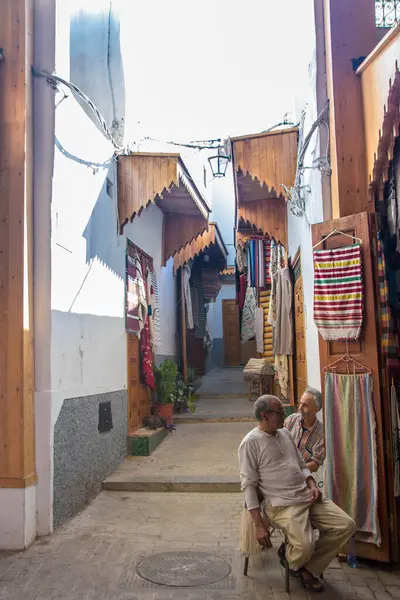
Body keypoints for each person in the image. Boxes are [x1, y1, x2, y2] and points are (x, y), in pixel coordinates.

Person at [238, 395, 356, 593]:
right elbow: (248, 486)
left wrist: (311, 484)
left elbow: (301, 464)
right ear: (264, 415)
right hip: (281, 504)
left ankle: (301, 564)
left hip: (307, 495)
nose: (285, 414)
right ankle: (298, 559)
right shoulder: (250, 443)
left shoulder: (284, 433)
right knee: (305, 544)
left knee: (346, 526)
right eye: (279, 412)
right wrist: (259, 525)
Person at [284, 387, 325, 473]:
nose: (300, 408)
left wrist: (294, 470)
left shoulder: (322, 434)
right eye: (300, 403)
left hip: (300, 477)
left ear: (316, 410)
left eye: (305, 405)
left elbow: (315, 464)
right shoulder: (291, 419)